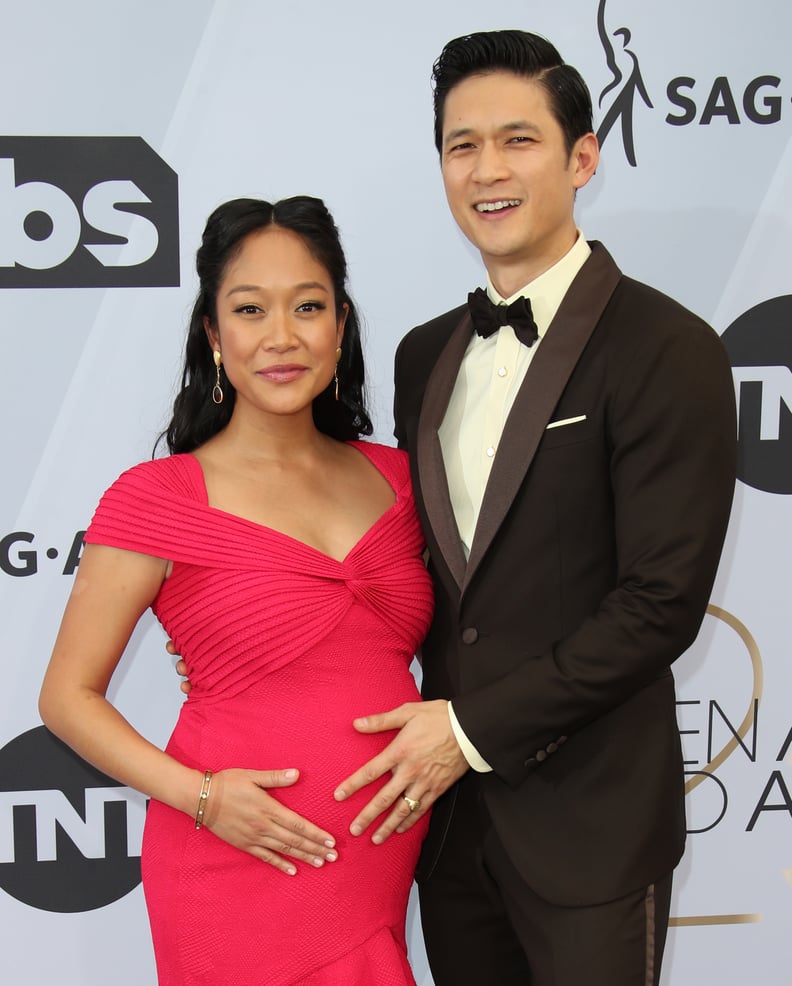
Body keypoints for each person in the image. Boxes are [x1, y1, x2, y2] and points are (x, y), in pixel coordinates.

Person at [331, 30, 737, 986]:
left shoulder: (667, 346)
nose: (487, 170)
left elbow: (659, 604)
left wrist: (466, 732)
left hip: (589, 824)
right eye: (461, 145)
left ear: (582, 157)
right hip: (448, 835)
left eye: (518, 140)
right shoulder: (424, 353)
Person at [39, 196, 434, 985]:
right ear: (215, 337)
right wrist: (203, 797)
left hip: (375, 865)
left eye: (308, 306)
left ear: (341, 325)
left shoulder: (401, 480)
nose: (282, 337)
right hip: (229, 859)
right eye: (250, 310)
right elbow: (66, 697)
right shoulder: (158, 497)